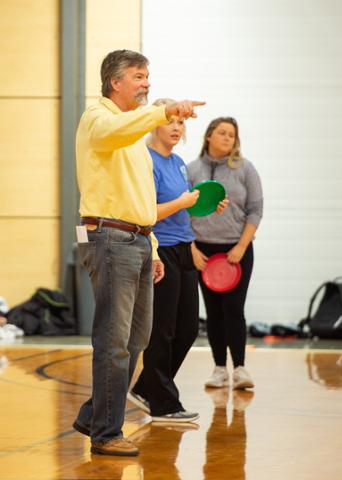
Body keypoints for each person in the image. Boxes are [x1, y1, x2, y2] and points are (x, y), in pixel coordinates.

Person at [72, 49, 204, 457]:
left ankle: (95, 414)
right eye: (139, 76)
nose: (147, 83)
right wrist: (164, 112)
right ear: (115, 82)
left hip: (138, 241)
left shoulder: (132, 138)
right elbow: (116, 130)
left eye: (148, 76)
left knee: (136, 339)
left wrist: (154, 246)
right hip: (108, 238)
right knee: (114, 340)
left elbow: (142, 197)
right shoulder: (98, 119)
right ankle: (106, 433)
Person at [127, 100, 226, 423]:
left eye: (180, 124)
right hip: (161, 250)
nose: (175, 128)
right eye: (170, 121)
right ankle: (164, 404)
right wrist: (182, 201)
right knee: (163, 329)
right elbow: (149, 212)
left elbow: (182, 207)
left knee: (186, 329)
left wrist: (204, 204)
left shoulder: (180, 163)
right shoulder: (145, 161)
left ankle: (145, 388)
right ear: (154, 124)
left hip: (183, 248)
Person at [188, 117, 264, 390]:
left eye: (232, 134)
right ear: (209, 136)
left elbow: (255, 209)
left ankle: (240, 369)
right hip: (202, 252)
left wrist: (241, 246)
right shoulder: (192, 170)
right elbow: (180, 212)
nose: (227, 138)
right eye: (222, 133)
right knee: (213, 312)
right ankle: (220, 368)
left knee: (234, 309)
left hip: (236, 249)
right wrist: (192, 249)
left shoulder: (245, 169)